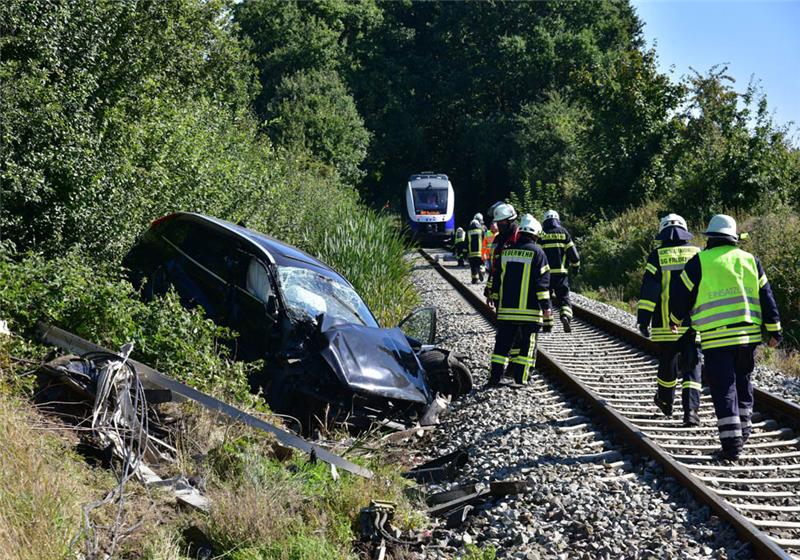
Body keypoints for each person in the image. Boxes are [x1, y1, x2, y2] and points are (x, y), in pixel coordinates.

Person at [670, 214, 782, 460]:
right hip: (748, 337)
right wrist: (774, 330)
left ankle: (732, 446)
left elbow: (681, 294)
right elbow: (767, 297)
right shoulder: (750, 260)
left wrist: (675, 319)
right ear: (733, 238)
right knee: (743, 382)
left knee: (724, 389)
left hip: (717, 339)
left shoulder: (700, 262)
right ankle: (743, 430)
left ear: (710, 238)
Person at [637, 214, 702, 426]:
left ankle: (665, 401)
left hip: (665, 324)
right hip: (694, 323)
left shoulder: (657, 256)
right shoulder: (697, 253)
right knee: (692, 366)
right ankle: (691, 412)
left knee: (668, 364)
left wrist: (643, 320)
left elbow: (649, 291)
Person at [487, 214, 552, 387]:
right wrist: (546, 309)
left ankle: (494, 378)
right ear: (536, 234)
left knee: (502, 346)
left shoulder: (506, 252)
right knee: (527, 346)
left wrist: (494, 297)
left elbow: (496, 277)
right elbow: (542, 285)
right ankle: (521, 379)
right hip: (530, 312)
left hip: (506, 311)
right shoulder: (539, 253)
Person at [540, 210, 580, 333]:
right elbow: (574, 254)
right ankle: (565, 316)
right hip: (561, 274)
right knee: (564, 297)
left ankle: (547, 325)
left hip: (545, 275)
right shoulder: (564, 233)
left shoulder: (541, 234)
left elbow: (537, 255)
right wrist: (575, 267)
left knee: (546, 298)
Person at [467, 218, 484, 283]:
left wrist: (466, 252)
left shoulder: (468, 231)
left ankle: (474, 279)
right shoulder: (481, 231)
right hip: (480, 252)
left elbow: (466, 242)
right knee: (481, 263)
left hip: (471, 253)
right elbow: (484, 240)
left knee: (473, 266)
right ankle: (481, 270)